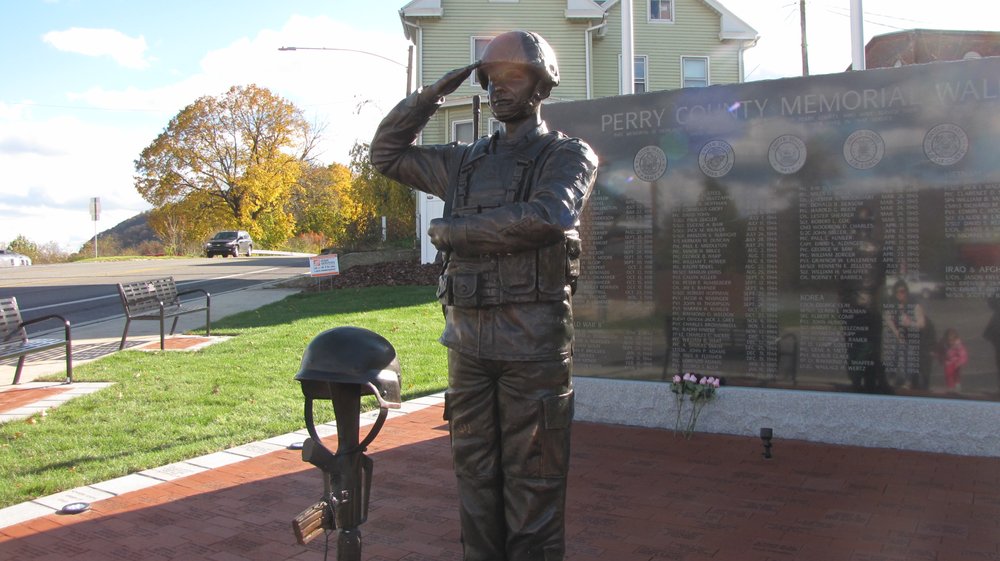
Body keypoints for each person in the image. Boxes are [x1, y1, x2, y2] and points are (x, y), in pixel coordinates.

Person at [370, 31, 599, 561]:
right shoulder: (461, 163)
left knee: (534, 483)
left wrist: (455, 233)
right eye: (490, 80)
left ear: (540, 85)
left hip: (534, 348)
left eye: (511, 78)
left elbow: (550, 215)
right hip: (468, 348)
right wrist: (430, 95)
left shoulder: (567, 155)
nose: (497, 90)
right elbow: (385, 154)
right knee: (473, 477)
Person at [885, 279, 926, 389]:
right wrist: (896, 332)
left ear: (906, 291)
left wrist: (910, 324)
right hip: (900, 337)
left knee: (910, 359)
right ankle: (890, 379)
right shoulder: (895, 305)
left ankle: (908, 382)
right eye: (898, 292)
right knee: (892, 357)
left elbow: (922, 324)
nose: (900, 294)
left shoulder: (914, 305)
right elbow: (888, 318)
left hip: (912, 338)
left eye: (903, 291)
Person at [936, 327, 968, 392]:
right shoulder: (943, 343)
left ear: (955, 339)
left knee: (956, 375)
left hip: (957, 362)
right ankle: (950, 387)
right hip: (948, 362)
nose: (950, 343)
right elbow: (939, 351)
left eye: (952, 341)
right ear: (946, 339)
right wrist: (940, 358)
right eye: (949, 341)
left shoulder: (958, 344)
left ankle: (957, 384)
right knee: (948, 375)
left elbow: (963, 354)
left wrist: (961, 362)